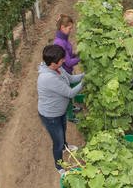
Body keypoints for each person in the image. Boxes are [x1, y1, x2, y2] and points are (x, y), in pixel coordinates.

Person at [37, 44, 84, 175]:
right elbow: (70, 93)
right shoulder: (48, 78)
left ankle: (65, 147)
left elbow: (71, 79)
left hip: (60, 111)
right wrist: (85, 82)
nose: (64, 61)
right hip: (50, 116)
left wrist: (84, 75)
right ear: (53, 63)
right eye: (62, 59)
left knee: (63, 131)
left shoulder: (58, 68)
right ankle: (59, 166)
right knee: (57, 142)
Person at [54, 14, 82, 123]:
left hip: (67, 71)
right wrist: (80, 58)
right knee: (67, 94)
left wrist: (76, 54)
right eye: (69, 28)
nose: (71, 31)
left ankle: (71, 108)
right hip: (64, 72)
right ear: (62, 27)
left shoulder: (64, 38)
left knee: (70, 93)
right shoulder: (59, 42)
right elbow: (69, 62)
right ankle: (70, 116)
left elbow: (69, 55)